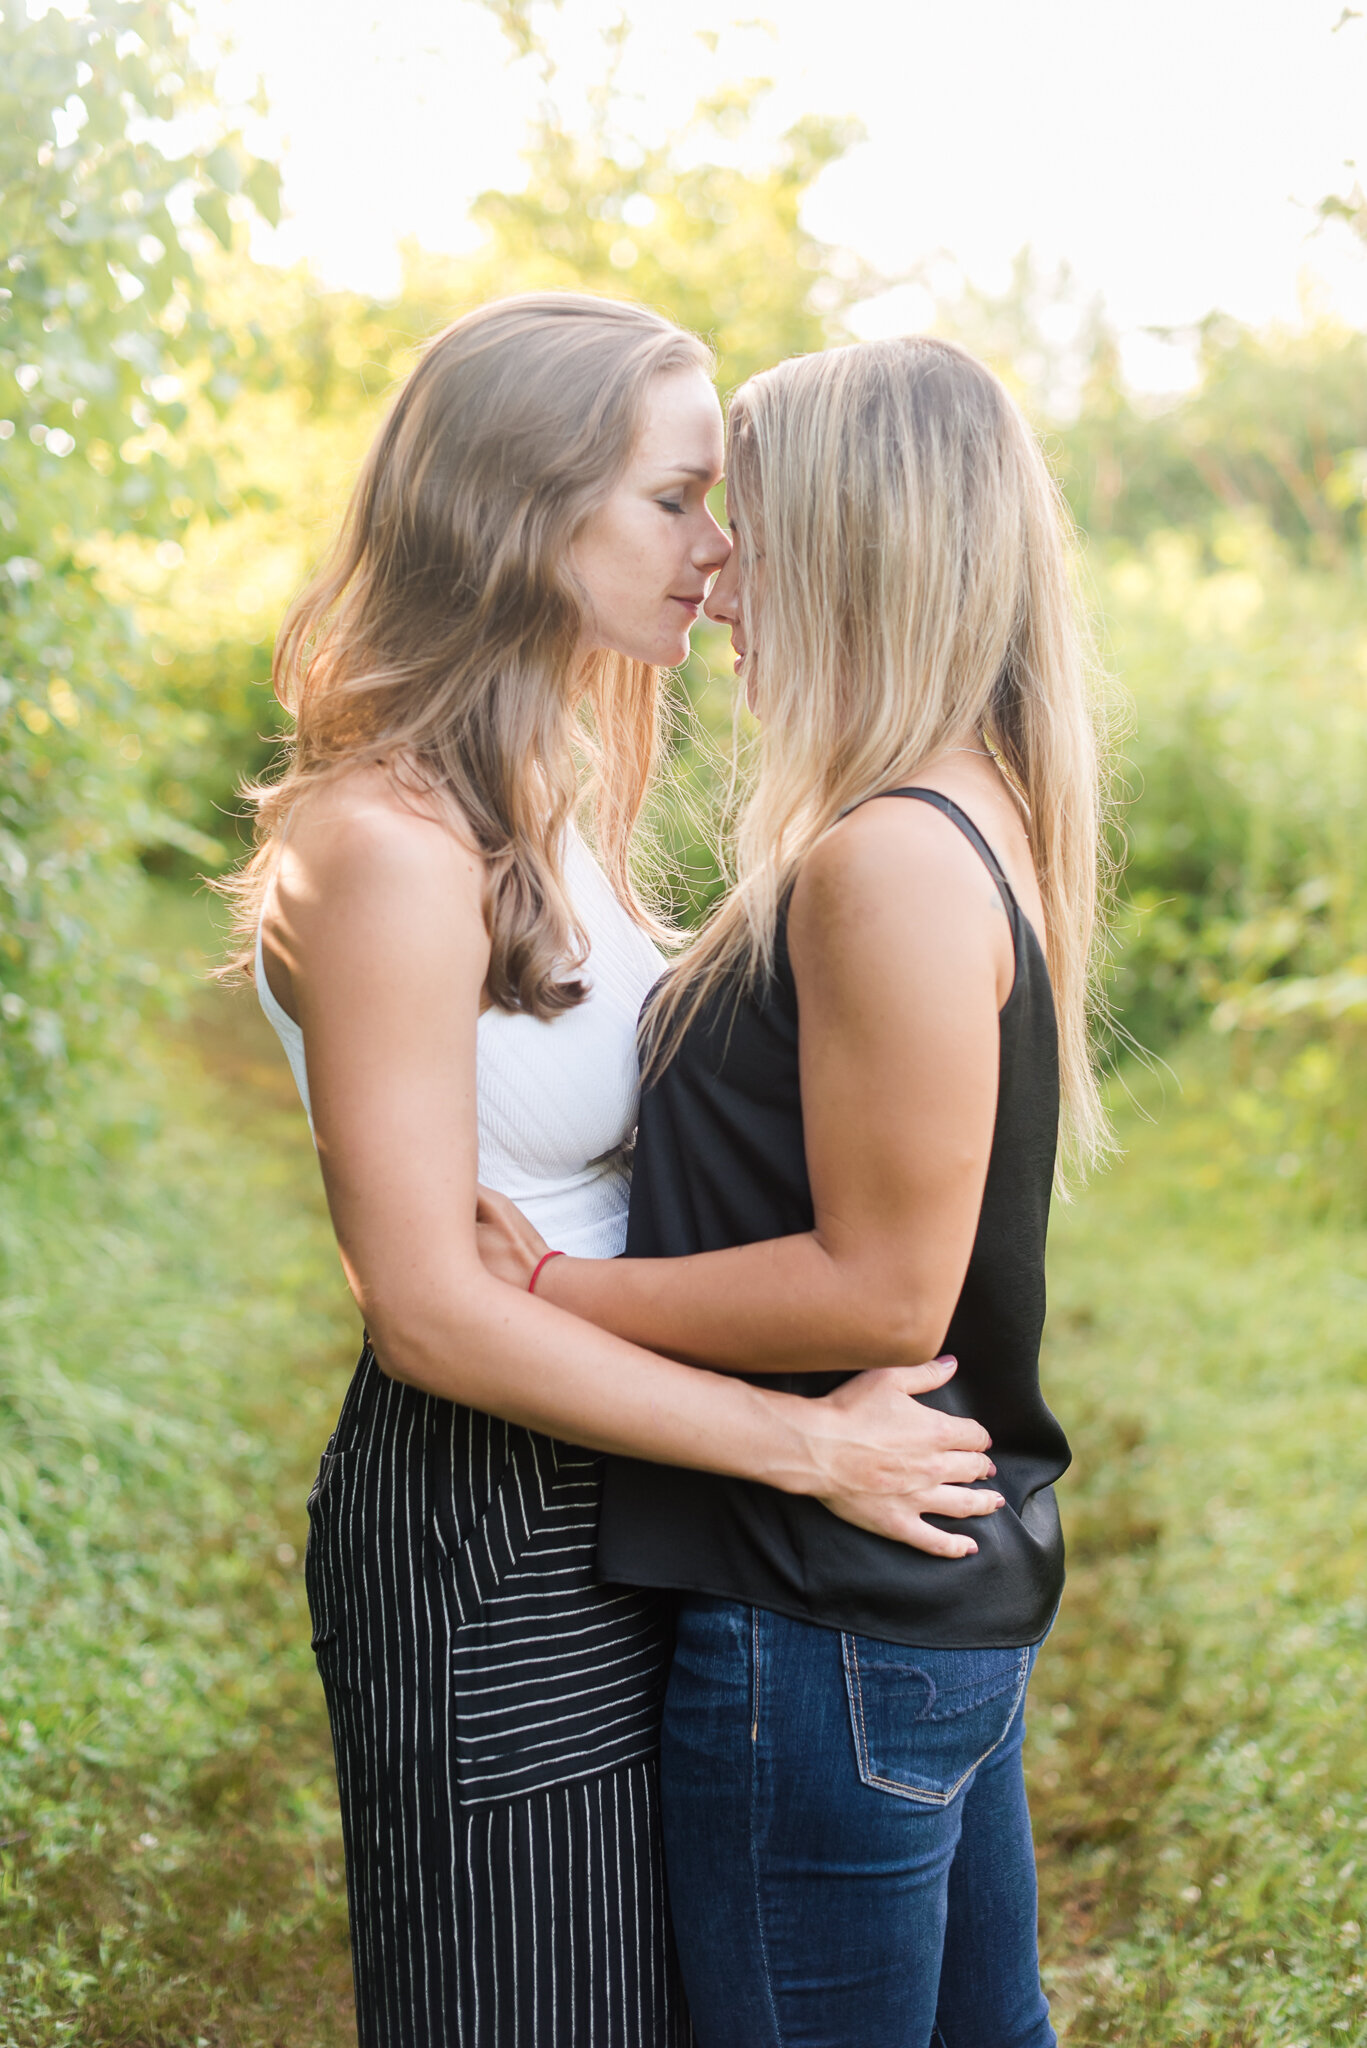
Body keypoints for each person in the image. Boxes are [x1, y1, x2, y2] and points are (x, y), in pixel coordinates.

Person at [223, 296, 1003, 2048]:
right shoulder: (388, 843)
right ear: (521, 504)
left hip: (648, 1469)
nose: (721, 552)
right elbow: (427, 1307)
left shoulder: (548, 789)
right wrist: (811, 1444)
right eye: (675, 498)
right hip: (499, 1505)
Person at [473, 334, 1107, 2047]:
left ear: (859, 548)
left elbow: (885, 1291)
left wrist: (549, 1291)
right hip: (904, 1607)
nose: (719, 569)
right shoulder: (951, 815)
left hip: (823, 1619)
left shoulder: (887, 855)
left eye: (751, 524)